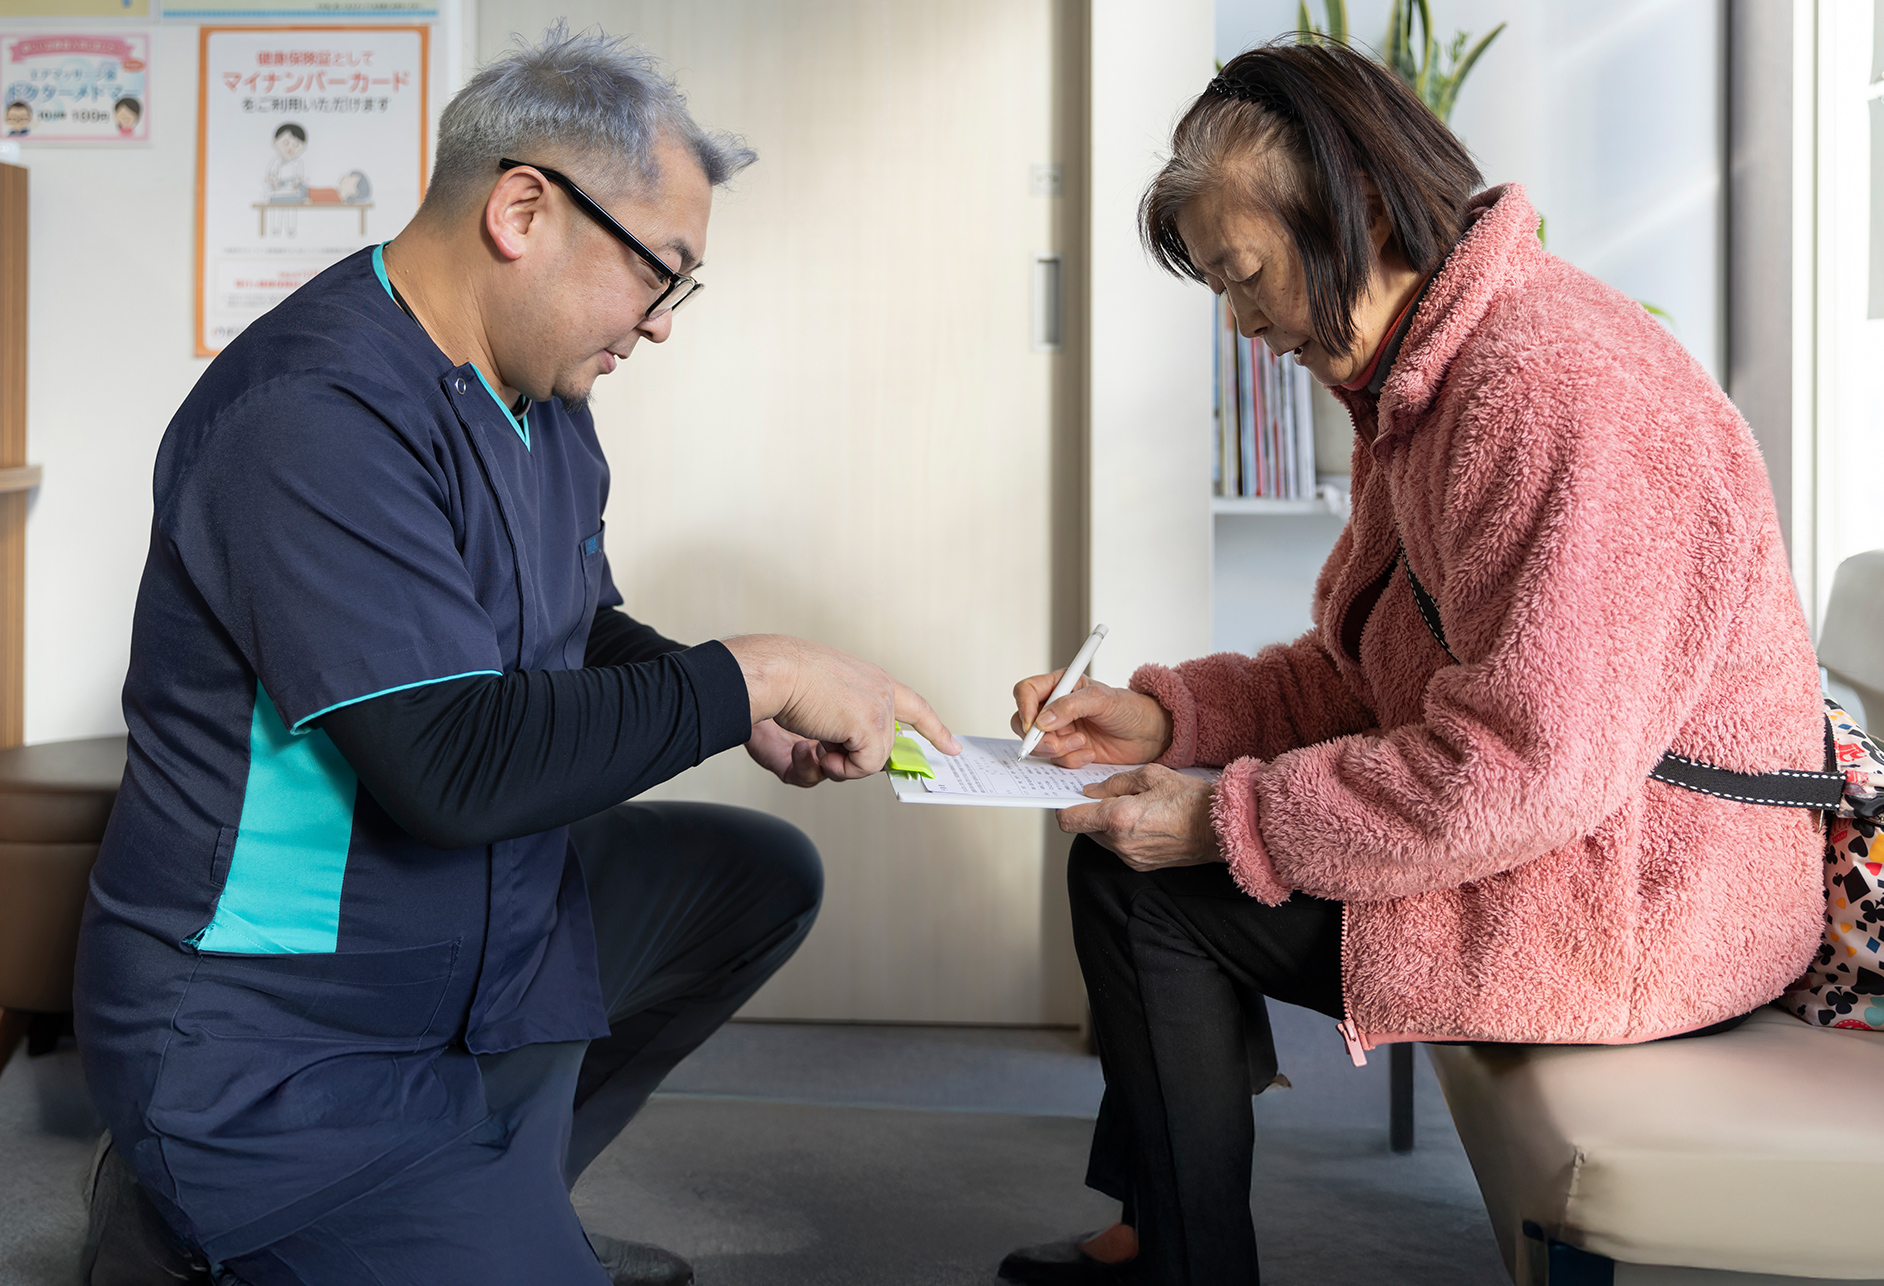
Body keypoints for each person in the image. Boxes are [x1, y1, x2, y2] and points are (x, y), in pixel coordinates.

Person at [75, 28, 957, 1286]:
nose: (660, 326)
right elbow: (450, 769)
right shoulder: (309, 417)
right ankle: (205, 1210)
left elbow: (576, 627)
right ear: (523, 210)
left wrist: (735, 708)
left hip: (463, 947)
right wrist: (748, 674)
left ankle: (500, 1189)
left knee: (755, 875)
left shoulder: (544, 406)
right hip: (281, 1040)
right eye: (661, 273)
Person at [997, 41, 1826, 1286]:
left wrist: (1230, 815)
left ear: (1361, 211)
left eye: (1245, 274)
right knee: (1139, 847)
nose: (1239, 319)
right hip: (1604, 848)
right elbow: (1365, 674)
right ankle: (1158, 1228)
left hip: (1649, 898)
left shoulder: (1549, 390)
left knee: (1147, 886)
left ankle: (1177, 1261)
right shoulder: (1439, 374)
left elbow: (1523, 766)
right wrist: (1167, 720)